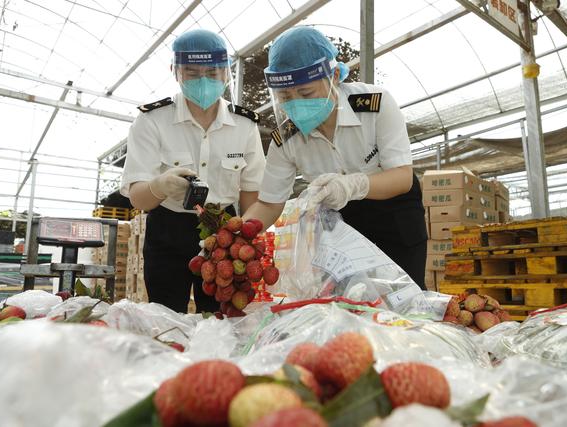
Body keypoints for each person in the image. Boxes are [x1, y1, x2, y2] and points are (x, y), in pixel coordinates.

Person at [243, 27, 427, 288]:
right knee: (351, 298)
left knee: (404, 295)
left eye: (306, 94)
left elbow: (401, 177)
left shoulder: (375, 105)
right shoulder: (286, 140)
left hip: (395, 211)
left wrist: (354, 184)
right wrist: (238, 233)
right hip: (341, 221)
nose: (296, 103)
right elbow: (269, 204)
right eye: (285, 97)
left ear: (334, 76)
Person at [120, 29, 265, 313]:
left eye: (212, 73)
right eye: (192, 72)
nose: (203, 80)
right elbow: (138, 199)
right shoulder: (152, 121)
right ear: (175, 72)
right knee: (165, 316)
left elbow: (251, 191)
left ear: (226, 73)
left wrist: (244, 241)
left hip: (225, 230)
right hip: (168, 229)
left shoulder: (244, 125)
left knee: (223, 318)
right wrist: (158, 186)